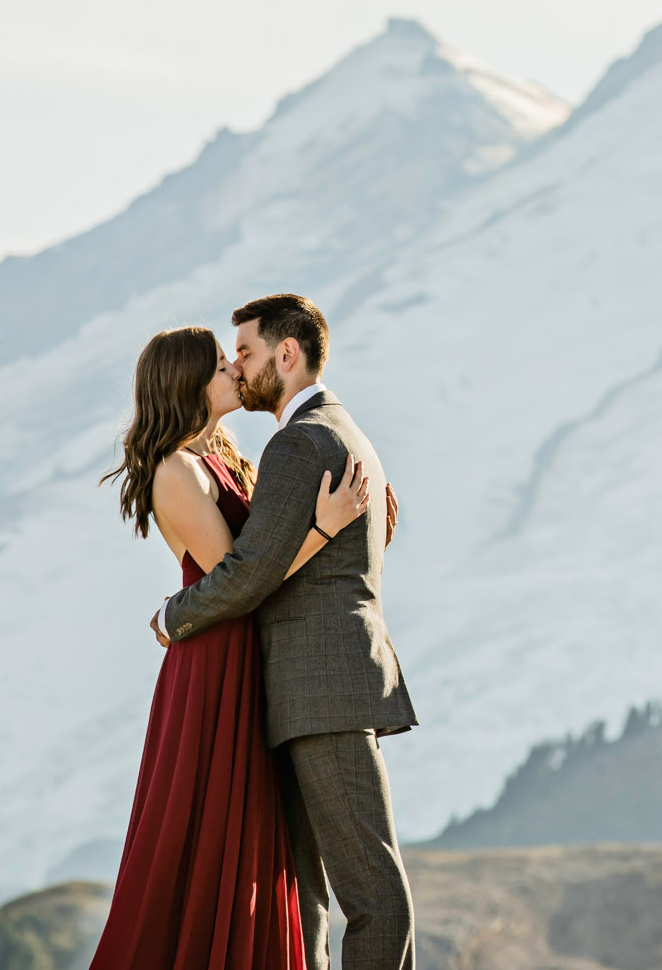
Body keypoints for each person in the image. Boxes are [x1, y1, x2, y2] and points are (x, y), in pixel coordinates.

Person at [90, 324, 372, 970]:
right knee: (206, 844)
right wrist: (325, 528)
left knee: (255, 846)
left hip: (245, 658)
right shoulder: (175, 470)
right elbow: (242, 579)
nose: (236, 371)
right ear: (189, 382)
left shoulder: (220, 454)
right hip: (214, 669)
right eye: (222, 365)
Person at [153, 294, 420, 970]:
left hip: (320, 689)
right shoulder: (340, 428)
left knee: (368, 892)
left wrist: (171, 617)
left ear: (287, 353)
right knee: (304, 903)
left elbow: (250, 572)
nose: (239, 368)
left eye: (244, 351)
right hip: (306, 690)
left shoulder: (301, 441)